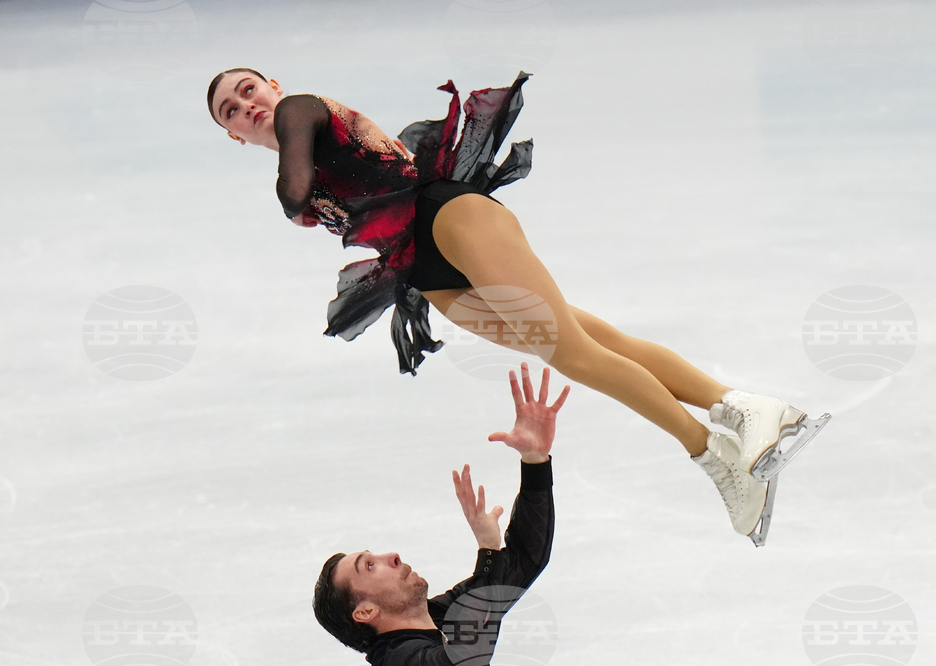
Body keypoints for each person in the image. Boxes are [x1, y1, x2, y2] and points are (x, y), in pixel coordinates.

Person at [206, 68, 831, 545]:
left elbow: (293, 195)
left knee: (574, 353)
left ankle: (713, 450)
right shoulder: (296, 141)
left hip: (450, 218)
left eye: (246, 89)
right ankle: (745, 409)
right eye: (231, 112)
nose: (246, 105)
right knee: (587, 337)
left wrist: (298, 205)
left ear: (273, 86)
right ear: (233, 136)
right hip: (428, 271)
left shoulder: (298, 110)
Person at [312, 363, 567, 664]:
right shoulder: (396, 659)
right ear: (366, 612)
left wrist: (534, 461)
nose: (391, 556)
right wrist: (488, 552)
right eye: (368, 566)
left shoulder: (437, 616)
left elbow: (526, 558)